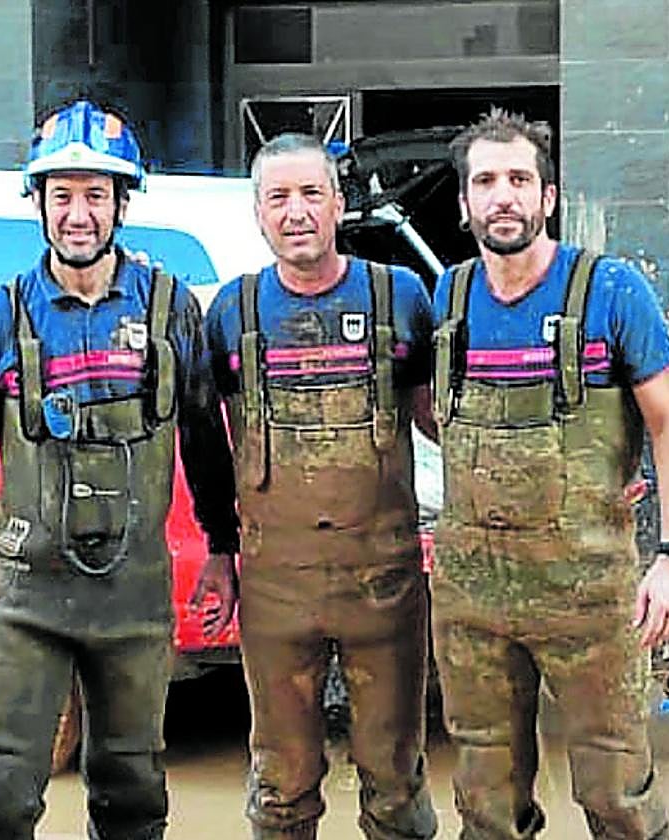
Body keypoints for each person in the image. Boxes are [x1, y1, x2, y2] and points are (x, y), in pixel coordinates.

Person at [0, 99, 240, 840]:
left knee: (133, 797)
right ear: (37, 203)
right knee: (0, 796)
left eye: (96, 195)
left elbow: (204, 440)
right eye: (61, 195)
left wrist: (223, 550)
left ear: (123, 204)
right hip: (29, 599)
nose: (78, 215)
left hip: (135, 599)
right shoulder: (0, 319)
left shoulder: (171, 311)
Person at [429, 108, 669, 840]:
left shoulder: (611, 291)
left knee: (616, 791)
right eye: (486, 181)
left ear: (548, 197)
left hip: (589, 597)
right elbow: (434, 416)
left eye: (520, 179)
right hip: (472, 598)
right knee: (485, 800)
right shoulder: (449, 298)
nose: (503, 196)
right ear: (464, 204)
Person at [192, 133, 438, 840]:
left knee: (395, 780)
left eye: (310, 194)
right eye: (278, 197)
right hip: (276, 588)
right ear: (258, 213)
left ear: (337, 203)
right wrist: (220, 551)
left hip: (384, 584)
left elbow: (444, 421)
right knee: (281, 783)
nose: (295, 212)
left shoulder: (400, 298)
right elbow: (208, 444)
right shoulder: (232, 313)